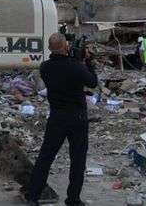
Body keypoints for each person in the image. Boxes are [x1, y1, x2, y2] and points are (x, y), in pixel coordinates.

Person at [26, 33, 98, 206]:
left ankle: (33, 197)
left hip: (57, 117)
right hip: (77, 118)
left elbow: (61, 67)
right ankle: (73, 199)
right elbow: (92, 82)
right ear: (66, 46)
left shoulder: (45, 67)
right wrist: (88, 62)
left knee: (45, 158)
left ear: (50, 48)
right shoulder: (76, 67)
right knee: (77, 160)